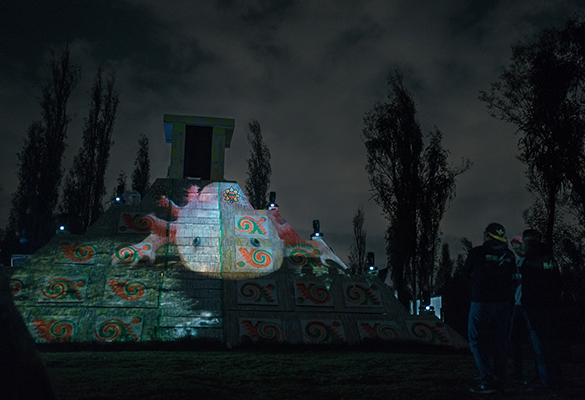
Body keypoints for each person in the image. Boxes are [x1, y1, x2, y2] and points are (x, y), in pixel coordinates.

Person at [465, 222, 516, 394]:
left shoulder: (477, 253)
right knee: (500, 343)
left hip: (481, 302)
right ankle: (499, 380)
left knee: (477, 341)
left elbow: (466, 274)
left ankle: (487, 380)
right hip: (503, 303)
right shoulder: (509, 255)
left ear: (487, 235)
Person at [520, 229, 563, 390]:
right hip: (550, 307)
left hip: (535, 308)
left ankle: (547, 381)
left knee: (540, 345)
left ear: (528, 242)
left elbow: (529, 284)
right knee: (548, 343)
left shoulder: (530, 260)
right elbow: (558, 282)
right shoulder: (549, 259)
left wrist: (528, 302)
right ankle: (550, 377)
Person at [508, 236, 531, 381]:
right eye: (514, 248)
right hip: (518, 304)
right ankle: (517, 371)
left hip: (528, 304)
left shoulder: (530, 262)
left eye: (519, 247)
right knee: (514, 338)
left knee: (533, 338)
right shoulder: (517, 264)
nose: (517, 251)